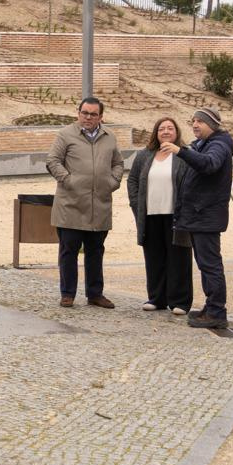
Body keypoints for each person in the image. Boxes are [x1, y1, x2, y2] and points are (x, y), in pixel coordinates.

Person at [46, 97, 124, 308]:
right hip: (70, 205)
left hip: (99, 206)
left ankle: (95, 294)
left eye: (93, 114)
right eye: (85, 113)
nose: (88, 117)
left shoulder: (109, 137)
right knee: (68, 251)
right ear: (78, 113)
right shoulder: (65, 134)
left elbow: (118, 163)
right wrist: (67, 179)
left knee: (96, 251)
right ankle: (68, 293)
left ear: (100, 117)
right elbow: (52, 161)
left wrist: (113, 181)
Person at [166, 107, 233, 329]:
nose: (195, 125)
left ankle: (217, 312)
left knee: (211, 265)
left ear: (212, 125)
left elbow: (208, 165)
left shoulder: (219, 144)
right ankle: (211, 307)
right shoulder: (203, 143)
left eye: (200, 122)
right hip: (198, 216)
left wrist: (181, 151)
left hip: (206, 216)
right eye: (193, 121)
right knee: (206, 265)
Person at [127, 116, 193, 316]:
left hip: (176, 215)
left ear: (176, 133)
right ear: (156, 133)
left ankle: (180, 301)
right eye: (161, 128)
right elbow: (132, 181)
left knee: (179, 258)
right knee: (154, 257)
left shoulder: (184, 155)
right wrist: (137, 204)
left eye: (170, 128)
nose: (165, 131)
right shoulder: (144, 155)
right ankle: (157, 298)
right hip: (150, 215)